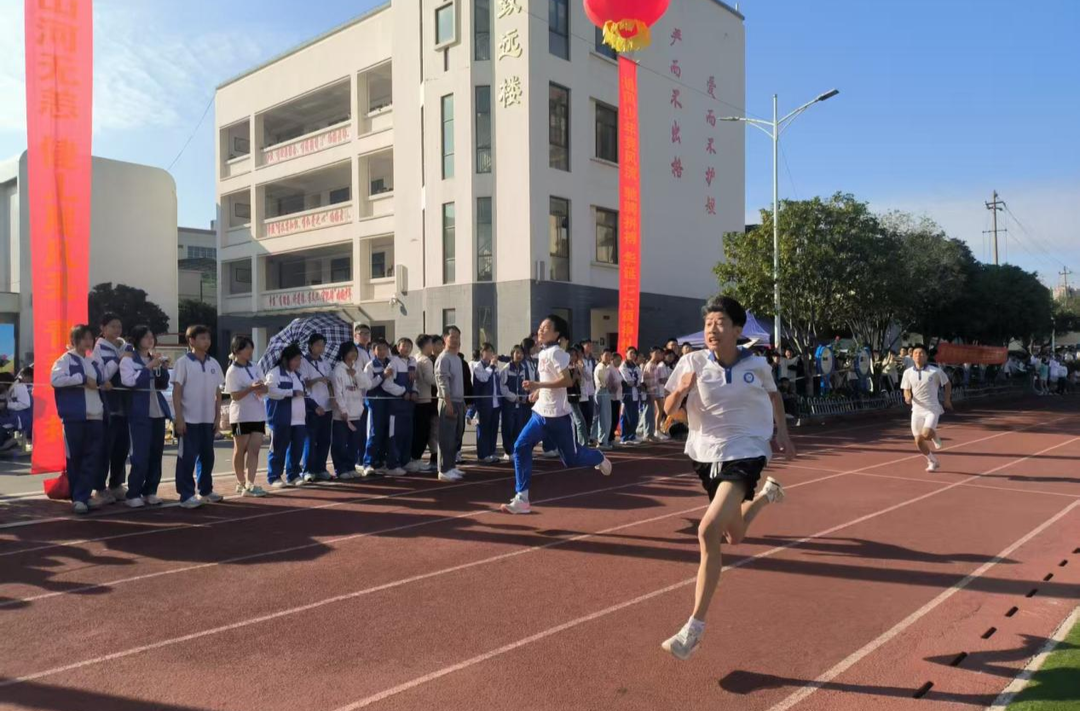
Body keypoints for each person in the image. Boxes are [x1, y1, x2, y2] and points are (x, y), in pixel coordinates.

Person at [660, 296, 794, 660]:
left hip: (748, 450)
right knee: (733, 534)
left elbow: (775, 396)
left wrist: (781, 431)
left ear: (737, 330)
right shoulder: (691, 361)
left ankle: (694, 628)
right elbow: (668, 411)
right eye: (708, 324)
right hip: (706, 455)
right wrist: (681, 390)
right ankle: (766, 497)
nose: (711, 330)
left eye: (719, 323)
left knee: (707, 531)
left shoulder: (758, 364)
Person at [501, 315, 612, 515]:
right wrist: (538, 392)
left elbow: (567, 382)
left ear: (557, 333)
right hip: (540, 414)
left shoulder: (558, 353)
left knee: (571, 460)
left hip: (559, 416)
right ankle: (522, 498)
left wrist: (538, 385)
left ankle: (598, 456)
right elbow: (549, 381)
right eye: (540, 327)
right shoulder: (543, 353)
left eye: (545, 328)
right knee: (520, 446)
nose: (540, 330)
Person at [51, 325, 107, 514]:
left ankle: (83, 495)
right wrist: (81, 378)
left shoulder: (93, 361)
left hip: (96, 415)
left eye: (90, 338)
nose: (88, 342)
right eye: (83, 338)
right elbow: (56, 380)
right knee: (75, 457)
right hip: (75, 416)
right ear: (74, 340)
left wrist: (103, 383)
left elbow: (101, 382)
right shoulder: (65, 360)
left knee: (93, 456)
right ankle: (79, 496)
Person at [172, 325, 225, 509]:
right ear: (191, 341)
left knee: (207, 457)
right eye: (202, 338)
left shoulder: (214, 364)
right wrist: (179, 418)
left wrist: (217, 418)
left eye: (208, 338)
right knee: (186, 458)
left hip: (207, 420)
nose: (207, 342)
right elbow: (177, 392)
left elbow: (218, 393)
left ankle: (205, 490)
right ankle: (186, 495)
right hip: (189, 420)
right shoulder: (183, 363)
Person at [120, 325, 172, 507]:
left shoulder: (153, 358)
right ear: (136, 339)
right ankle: (133, 493)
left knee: (156, 454)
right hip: (139, 411)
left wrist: (163, 369)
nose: (150, 340)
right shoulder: (128, 360)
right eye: (146, 337)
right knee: (139, 454)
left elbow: (162, 385)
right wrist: (149, 366)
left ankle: (150, 490)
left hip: (157, 410)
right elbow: (129, 381)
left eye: (152, 337)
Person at [93, 312, 130, 504]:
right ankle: (99, 487)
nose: (117, 330)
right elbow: (102, 375)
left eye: (119, 327)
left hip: (125, 404)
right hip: (108, 404)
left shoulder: (124, 346)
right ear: (103, 328)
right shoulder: (97, 349)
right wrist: (120, 359)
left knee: (122, 448)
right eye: (112, 326)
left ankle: (116, 484)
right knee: (105, 448)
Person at [224, 335, 268, 497]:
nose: (249, 351)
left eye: (251, 348)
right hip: (241, 415)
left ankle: (250, 482)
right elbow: (234, 395)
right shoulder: (232, 371)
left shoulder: (255, 366)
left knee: (254, 449)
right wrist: (250, 388)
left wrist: (262, 388)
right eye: (245, 348)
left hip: (257, 413)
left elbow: (265, 388)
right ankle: (240, 482)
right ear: (236, 350)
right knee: (240, 449)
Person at [902, 344, 952, 472]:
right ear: (912, 356)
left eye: (921, 353)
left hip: (932, 409)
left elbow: (947, 384)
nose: (918, 355)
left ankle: (933, 434)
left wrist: (946, 400)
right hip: (917, 410)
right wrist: (907, 397)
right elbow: (906, 389)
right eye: (916, 353)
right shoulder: (907, 373)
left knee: (925, 434)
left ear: (926, 356)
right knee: (918, 441)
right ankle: (932, 461)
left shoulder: (935, 371)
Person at [266, 344, 309, 487]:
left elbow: (304, 394)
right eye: (295, 360)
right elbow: (271, 391)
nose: (298, 363)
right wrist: (291, 393)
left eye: (299, 360)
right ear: (286, 359)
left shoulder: (298, 375)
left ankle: (293, 474)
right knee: (278, 448)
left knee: (297, 448)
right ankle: (274, 476)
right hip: (280, 418)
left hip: (299, 419)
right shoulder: (274, 373)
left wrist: (315, 407)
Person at [331, 341, 371, 480]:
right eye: (350, 351)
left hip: (356, 413)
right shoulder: (338, 370)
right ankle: (340, 469)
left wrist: (356, 375)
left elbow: (368, 384)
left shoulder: (357, 368)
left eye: (355, 351)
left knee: (354, 443)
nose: (353, 354)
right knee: (340, 443)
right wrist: (342, 409)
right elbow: (338, 392)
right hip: (342, 414)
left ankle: (350, 466)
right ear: (343, 353)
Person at [362, 339, 400, 475]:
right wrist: (382, 376)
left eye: (385, 348)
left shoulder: (392, 362)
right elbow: (368, 385)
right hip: (375, 403)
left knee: (389, 433)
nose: (382, 352)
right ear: (373, 351)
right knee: (374, 432)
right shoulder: (370, 365)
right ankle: (368, 463)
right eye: (379, 349)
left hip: (390, 402)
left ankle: (385, 462)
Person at [299, 333, 334, 482]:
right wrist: (319, 379)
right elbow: (304, 384)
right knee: (310, 439)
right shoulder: (304, 362)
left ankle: (321, 468)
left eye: (323, 345)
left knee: (325, 439)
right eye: (318, 344)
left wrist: (332, 399)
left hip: (326, 405)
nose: (321, 348)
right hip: (312, 406)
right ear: (310, 346)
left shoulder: (325, 362)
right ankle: (308, 469)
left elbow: (331, 382)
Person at [435, 325, 466, 482]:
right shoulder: (444, 358)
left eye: (457, 337)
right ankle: (444, 469)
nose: (455, 340)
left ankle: (451, 466)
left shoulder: (457, 358)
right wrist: (448, 403)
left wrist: (462, 402)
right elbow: (443, 382)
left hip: (458, 401)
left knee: (455, 436)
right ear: (445, 338)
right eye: (452, 337)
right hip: (448, 401)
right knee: (446, 437)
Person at [408, 335, 440, 474]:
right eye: (431, 343)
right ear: (427, 345)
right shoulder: (426, 360)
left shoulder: (416, 357)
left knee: (420, 431)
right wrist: (441, 381)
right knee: (423, 432)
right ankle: (416, 459)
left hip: (418, 398)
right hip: (425, 399)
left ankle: (415, 458)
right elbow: (429, 379)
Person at [385, 337, 416, 476]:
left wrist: (415, 391)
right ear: (398, 347)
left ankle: (405, 460)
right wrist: (403, 392)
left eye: (409, 346)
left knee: (407, 434)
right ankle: (393, 464)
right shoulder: (393, 363)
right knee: (394, 435)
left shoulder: (412, 362)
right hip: (396, 406)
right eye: (404, 346)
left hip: (408, 406)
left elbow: (414, 382)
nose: (406, 349)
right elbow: (387, 384)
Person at [471, 342, 503, 464]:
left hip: (495, 402)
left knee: (493, 429)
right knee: (483, 429)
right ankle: (482, 454)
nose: (490, 354)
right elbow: (483, 378)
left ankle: (491, 452)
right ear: (482, 352)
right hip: (484, 403)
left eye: (491, 351)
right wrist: (491, 366)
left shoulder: (494, 366)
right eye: (487, 351)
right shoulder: (478, 366)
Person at [501, 345, 529, 461]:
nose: (519, 355)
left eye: (521, 353)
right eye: (516, 352)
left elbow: (525, 385)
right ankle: (508, 451)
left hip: (520, 404)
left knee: (519, 427)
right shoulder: (506, 369)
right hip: (509, 404)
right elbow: (502, 387)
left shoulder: (523, 368)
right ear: (512, 354)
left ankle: (516, 450)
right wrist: (513, 397)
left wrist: (524, 396)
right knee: (508, 427)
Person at [642, 347, 669, 442]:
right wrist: (652, 392)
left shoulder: (655, 365)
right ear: (651, 353)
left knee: (653, 412)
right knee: (649, 413)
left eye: (659, 353)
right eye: (656, 353)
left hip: (655, 392)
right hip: (650, 393)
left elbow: (656, 380)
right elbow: (648, 381)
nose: (658, 355)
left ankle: (651, 432)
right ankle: (648, 433)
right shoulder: (650, 365)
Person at [592, 349, 616, 450]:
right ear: (601, 356)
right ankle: (602, 441)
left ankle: (600, 440)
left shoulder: (605, 367)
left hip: (602, 392)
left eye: (609, 355)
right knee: (604, 418)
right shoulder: (601, 367)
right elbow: (603, 384)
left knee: (602, 417)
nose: (608, 357)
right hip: (602, 392)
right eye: (606, 355)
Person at [618, 347, 642, 445]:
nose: (633, 355)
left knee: (634, 416)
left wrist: (636, 382)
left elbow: (639, 380)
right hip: (626, 394)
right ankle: (624, 436)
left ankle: (632, 435)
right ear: (626, 353)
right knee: (626, 415)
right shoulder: (623, 366)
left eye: (634, 353)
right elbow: (628, 381)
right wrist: (635, 382)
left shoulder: (636, 367)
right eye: (631, 353)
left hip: (635, 394)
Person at [579, 340, 597, 445]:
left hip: (590, 391)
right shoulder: (579, 360)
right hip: (581, 392)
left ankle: (588, 436)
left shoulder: (592, 360)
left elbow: (592, 376)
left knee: (590, 415)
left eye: (591, 345)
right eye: (588, 345)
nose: (590, 347)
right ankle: (581, 439)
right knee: (581, 417)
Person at [609, 352, 625, 444]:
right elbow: (609, 383)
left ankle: (612, 437)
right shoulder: (610, 369)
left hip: (617, 397)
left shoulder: (616, 369)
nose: (619, 362)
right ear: (612, 359)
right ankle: (610, 437)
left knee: (615, 418)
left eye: (620, 360)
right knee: (612, 418)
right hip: (611, 398)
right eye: (617, 360)